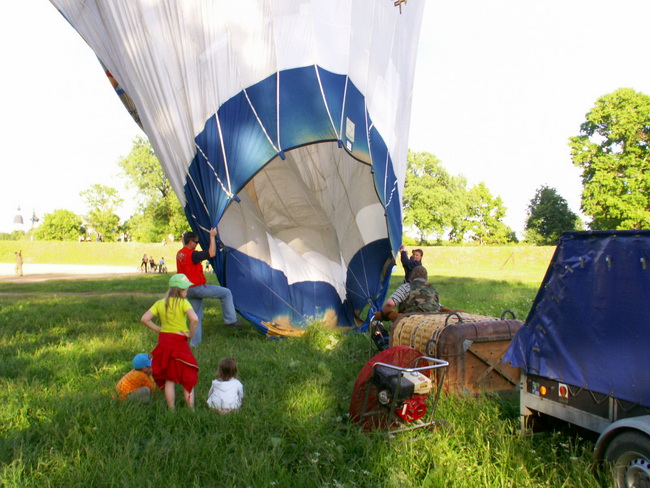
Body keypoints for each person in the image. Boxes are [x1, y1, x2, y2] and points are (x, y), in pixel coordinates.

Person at [176, 228, 243, 347]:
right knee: (226, 293)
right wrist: (212, 236)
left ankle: (194, 344)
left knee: (196, 317)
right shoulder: (193, 254)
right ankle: (230, 320)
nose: (197, 245)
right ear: (190, 242)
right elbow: (212, 253)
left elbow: (189, 270)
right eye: (196, 242)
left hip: (187, 290)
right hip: (197, 288)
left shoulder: (179, 254)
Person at [141, 273, 199, 409]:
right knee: (187, 377)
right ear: (180, 289)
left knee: (169, 378)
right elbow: (194, 319)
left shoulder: (160, 303)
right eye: (186, 288)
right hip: (179, 342)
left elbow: (144, 319)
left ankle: (171, 411)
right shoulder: (183, 302)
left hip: (165, 342)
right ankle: (191, 411)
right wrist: (190, 333)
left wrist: (159, 329)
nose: (187, 290)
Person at [378, 265, 440, 346]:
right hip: (432, 326)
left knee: (376, 324)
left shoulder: (407, 287)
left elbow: (390, 303)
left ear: (412, 276)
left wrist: (383, 314)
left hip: (411, 324)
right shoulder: (433, 289)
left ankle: (386, 346)